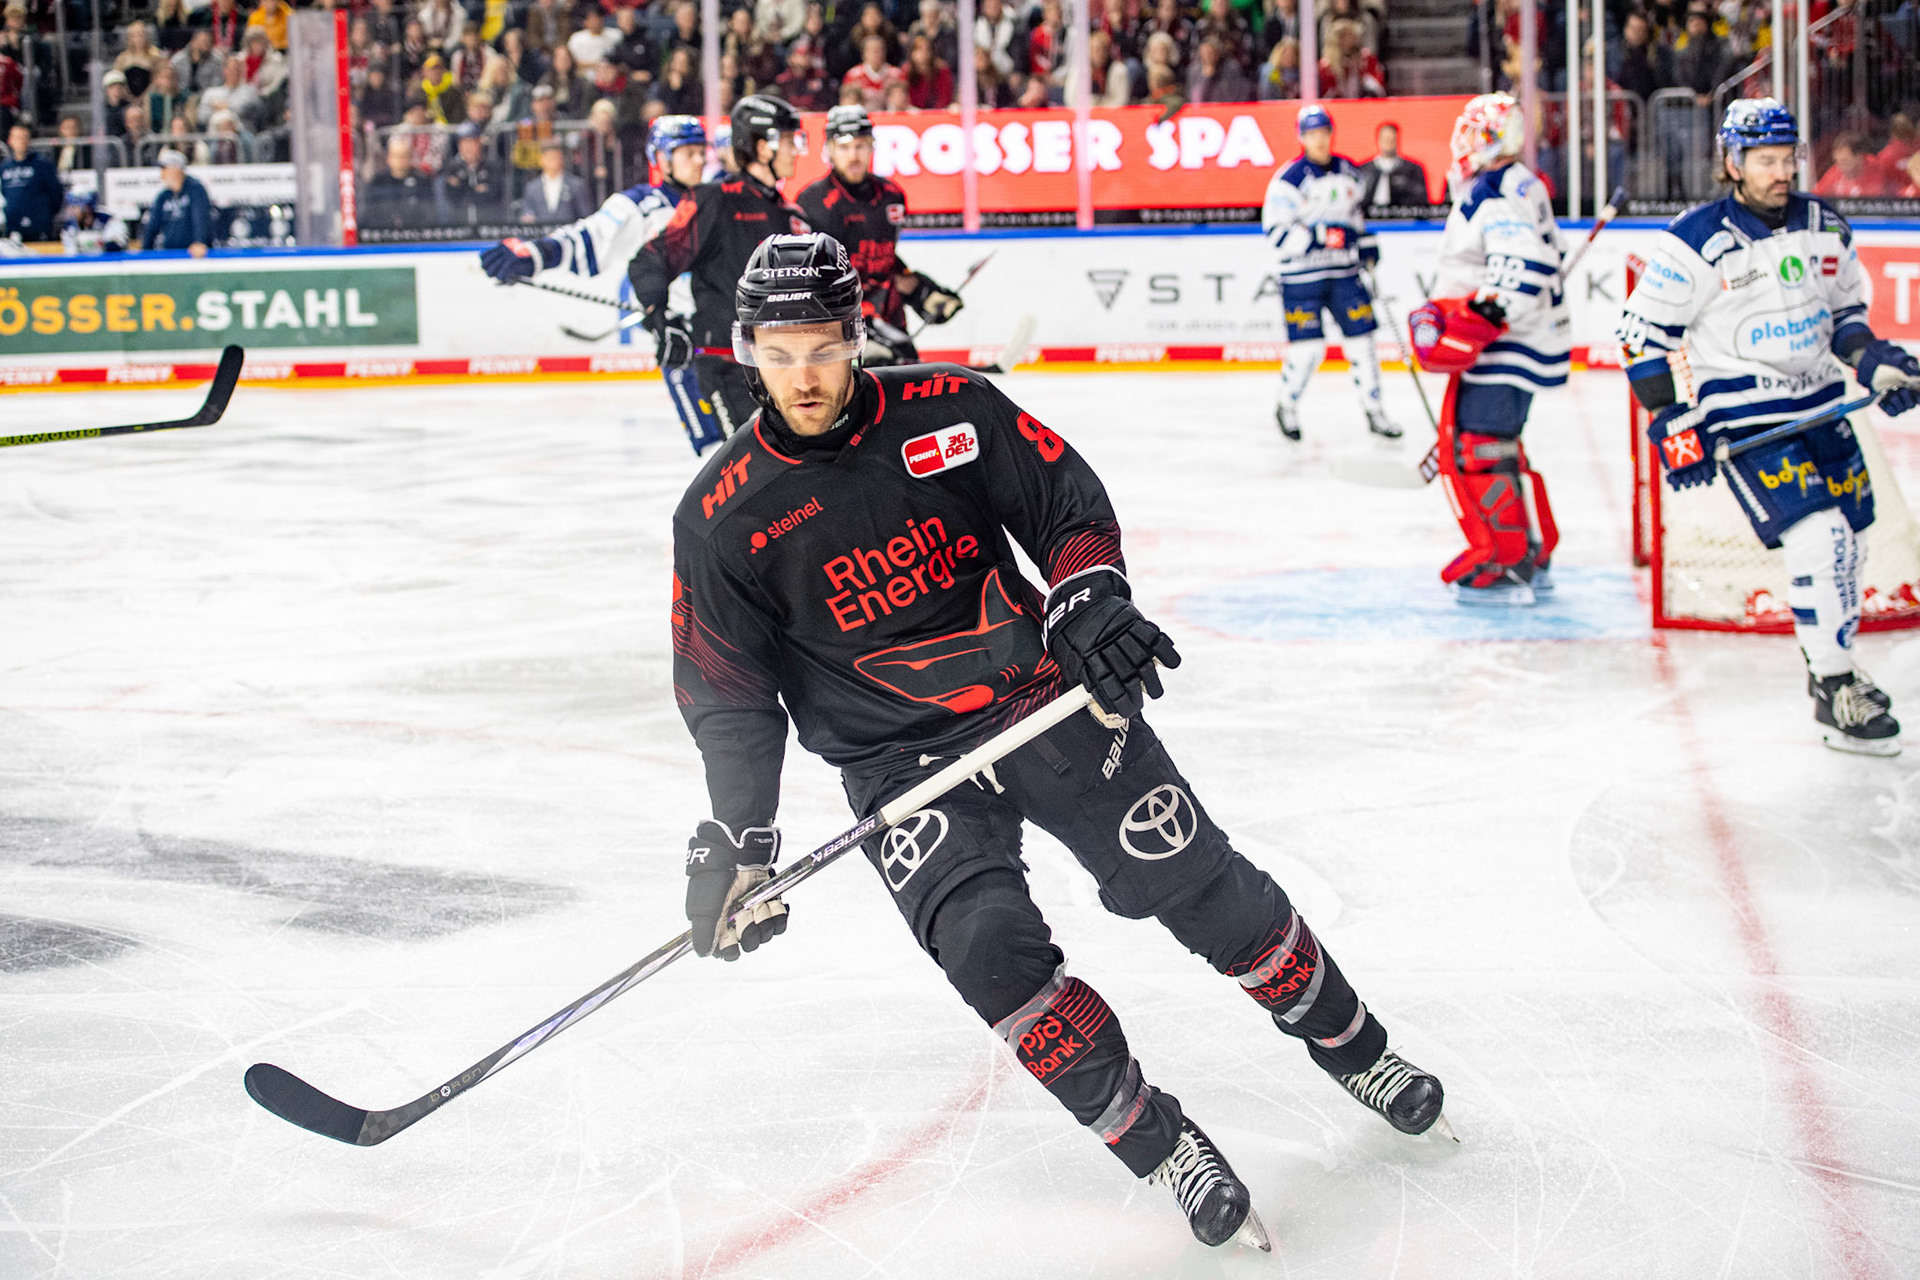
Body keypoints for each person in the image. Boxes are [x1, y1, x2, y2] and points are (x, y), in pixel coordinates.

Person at [670, 229, 1453, 1252]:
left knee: (1200, 885)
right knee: (986, 948)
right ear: (747, 352)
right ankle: (1161, 1143)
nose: (802, 377)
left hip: (1040, 699)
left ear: (856, 335)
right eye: (779, 355)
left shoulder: (951, 409)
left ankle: (1357, 1048)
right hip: (900, 764)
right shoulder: (721, 515)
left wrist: (1087, 601)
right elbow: (729, 693)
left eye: (822, 349)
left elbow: (1066, 508)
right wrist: (740, 839)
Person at [1618, 99, 1916, 754]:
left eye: (1787, 159)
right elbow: (1641, 336)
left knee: (1851, 547)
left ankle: (1830, 669)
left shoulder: (1823, 225)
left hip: (1823, 408)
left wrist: (1875, 363)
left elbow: (1846, 319)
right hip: (1748, 421)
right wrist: (1669, 416)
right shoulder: (1695, 239)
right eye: (1765, 161)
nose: (1781, 172)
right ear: (1732, 163)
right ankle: (1836, 685)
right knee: (1821, 540)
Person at [1407, 92, 1568, 606]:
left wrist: (1472, 324)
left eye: (1475, 131)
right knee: (1501, 447)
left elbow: (1524, 266)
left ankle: (1505, 558)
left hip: (1506, 347)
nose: (1465, 141)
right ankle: (1532, 552)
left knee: (1478, 449)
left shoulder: (1495, 190)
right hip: (1522, 342)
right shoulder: (1518, 182)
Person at [483, 116, 722, 452]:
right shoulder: (641, 206)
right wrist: (536, 254)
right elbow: (588, 237)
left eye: (701, 152)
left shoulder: (719, 197)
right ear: (662, 158)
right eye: (688, 153)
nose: (699, 161)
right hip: (684, 342)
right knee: (719, 452)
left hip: (734, 338)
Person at [629, 94, 813, 441]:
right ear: (762, 148)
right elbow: (651, 258)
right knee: (752, 464)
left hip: (786, 368)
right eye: (789, 141)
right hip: (729, 369)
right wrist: (660, 319)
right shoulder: (716, 199)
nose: (796, 150)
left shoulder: (794, 216)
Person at [1261, 105, 1398, 443]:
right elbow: (1276, 231)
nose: (1319, 140)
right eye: (1311, 134)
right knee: (1308, 350)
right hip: (1302, 279)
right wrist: (1322, 237)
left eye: (1323, 132)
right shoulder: (1289, 180)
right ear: (1302, 137)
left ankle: (1375, 410)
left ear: (1331, 133)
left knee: (1363, 342)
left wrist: (1365, 243)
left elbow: (1356, 219)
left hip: (1343, 274)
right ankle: (1286, 406)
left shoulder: (1350, 173)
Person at [796, 105, 963, 367]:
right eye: (844, 147)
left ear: (872, 146)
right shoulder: (813, 202)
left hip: (889, 320)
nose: (854, 155)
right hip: (841, 326)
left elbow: (886, 259)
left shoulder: (891, 196)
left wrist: (922, 291)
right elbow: (809, 279)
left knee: (907, 377)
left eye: (860, 146)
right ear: (829, 149)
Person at [141, 148, 212, 254]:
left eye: (164, 168)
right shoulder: (163, 196)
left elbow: (200, 218)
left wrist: (200, 242)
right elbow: (153, 225)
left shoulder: (195, 189)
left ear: (176, 169)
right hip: (170, 253)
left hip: (192, 254)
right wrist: (145, 251)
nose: (161, 173)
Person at [1, 121, 61, 240]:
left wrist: (46, 214)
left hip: (39, 227)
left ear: (29, 140)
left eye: (24, 138)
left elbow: (56, 193)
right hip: (13, 227)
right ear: (10, 141)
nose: (21, 142)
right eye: (17, 138)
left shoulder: (42, 165)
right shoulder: (4, 167)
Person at [520, 137, 595, 223]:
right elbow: (527, 211)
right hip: (542, 230)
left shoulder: (577, 185)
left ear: (562, 159)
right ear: (541, 160)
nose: (553, 162)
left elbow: (586, 216)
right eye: (549, 158)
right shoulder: (532, 187)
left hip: (568, 230)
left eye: (556, 157)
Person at [1357, 121, 1430, 209]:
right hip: (1369, 216)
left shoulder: (1412, 170)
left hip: (1401, 215)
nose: (1389, 143)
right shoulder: (1364, 169)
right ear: (1378, 140)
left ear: (1398, 141)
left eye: (1392, 139)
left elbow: (1421, 202)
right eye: (1386, 139)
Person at [1813, 132, 1890, 198]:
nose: (1840, 167)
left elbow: (1872, 200)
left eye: (1845, 161)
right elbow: (1816, 196)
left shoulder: (1876, 169)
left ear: (1859, 157)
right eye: (1837, 161)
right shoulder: (1836, 171)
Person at [59, 188, 129, 254]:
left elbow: (114, 249)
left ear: (87, 207)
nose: (72, 209)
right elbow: (72, 255)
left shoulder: (108, 220)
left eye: (75, 205)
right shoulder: (69, 227)